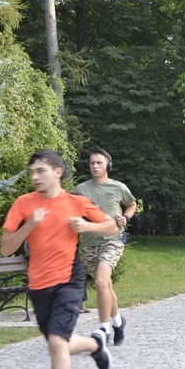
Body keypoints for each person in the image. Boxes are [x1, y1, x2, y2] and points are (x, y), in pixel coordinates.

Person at [0, 149, 117, 369]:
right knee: (59, 343)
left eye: (40, 170)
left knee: (56, 343)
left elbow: (112, 225)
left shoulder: (75, 202)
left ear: (57, 172)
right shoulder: (24, 204)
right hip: (39, 286)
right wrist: (30, 224)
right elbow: (5, 248)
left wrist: (87, 225)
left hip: (69, 280)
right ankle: (94, 344)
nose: (35, 177)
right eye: (32, 172)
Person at [74, 148, 136, 346]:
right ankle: (118, 322)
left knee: (101, 281)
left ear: (107, 165)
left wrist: (125, 218)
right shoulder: (80, 189)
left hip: (113, 241)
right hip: (89, 245)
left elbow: (132, 204)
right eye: (92, 163)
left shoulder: (118, 187)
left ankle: (103, 329)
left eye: (99, 163)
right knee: (105, 286)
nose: (95, 166)